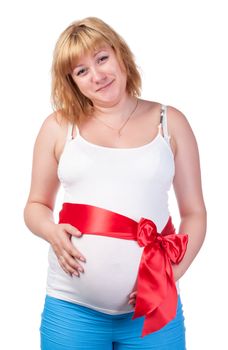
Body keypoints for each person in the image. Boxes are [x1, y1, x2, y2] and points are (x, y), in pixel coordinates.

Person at [23, 16, 207, 350]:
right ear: (73, 82)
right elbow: (35, 205)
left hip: (153, 311)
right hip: (71, 309)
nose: (97, 76)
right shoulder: (59, 127)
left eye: (101, 58)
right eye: (81, 71)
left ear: (119, 54)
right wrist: (50, 231)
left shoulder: (170, 122)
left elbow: (194, 212)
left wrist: (172, 275)